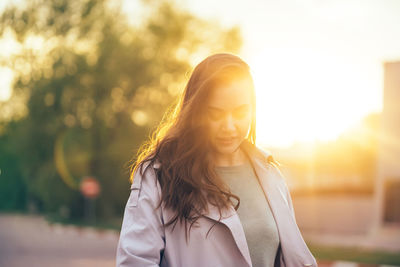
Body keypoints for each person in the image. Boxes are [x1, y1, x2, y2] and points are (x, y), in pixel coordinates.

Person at [116, 53, 317, 267]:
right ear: (195, 112)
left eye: (240, 112)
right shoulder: (159, 174)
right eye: (215, 113)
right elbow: (135, 262)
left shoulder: (270, 173)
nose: (229, 126)